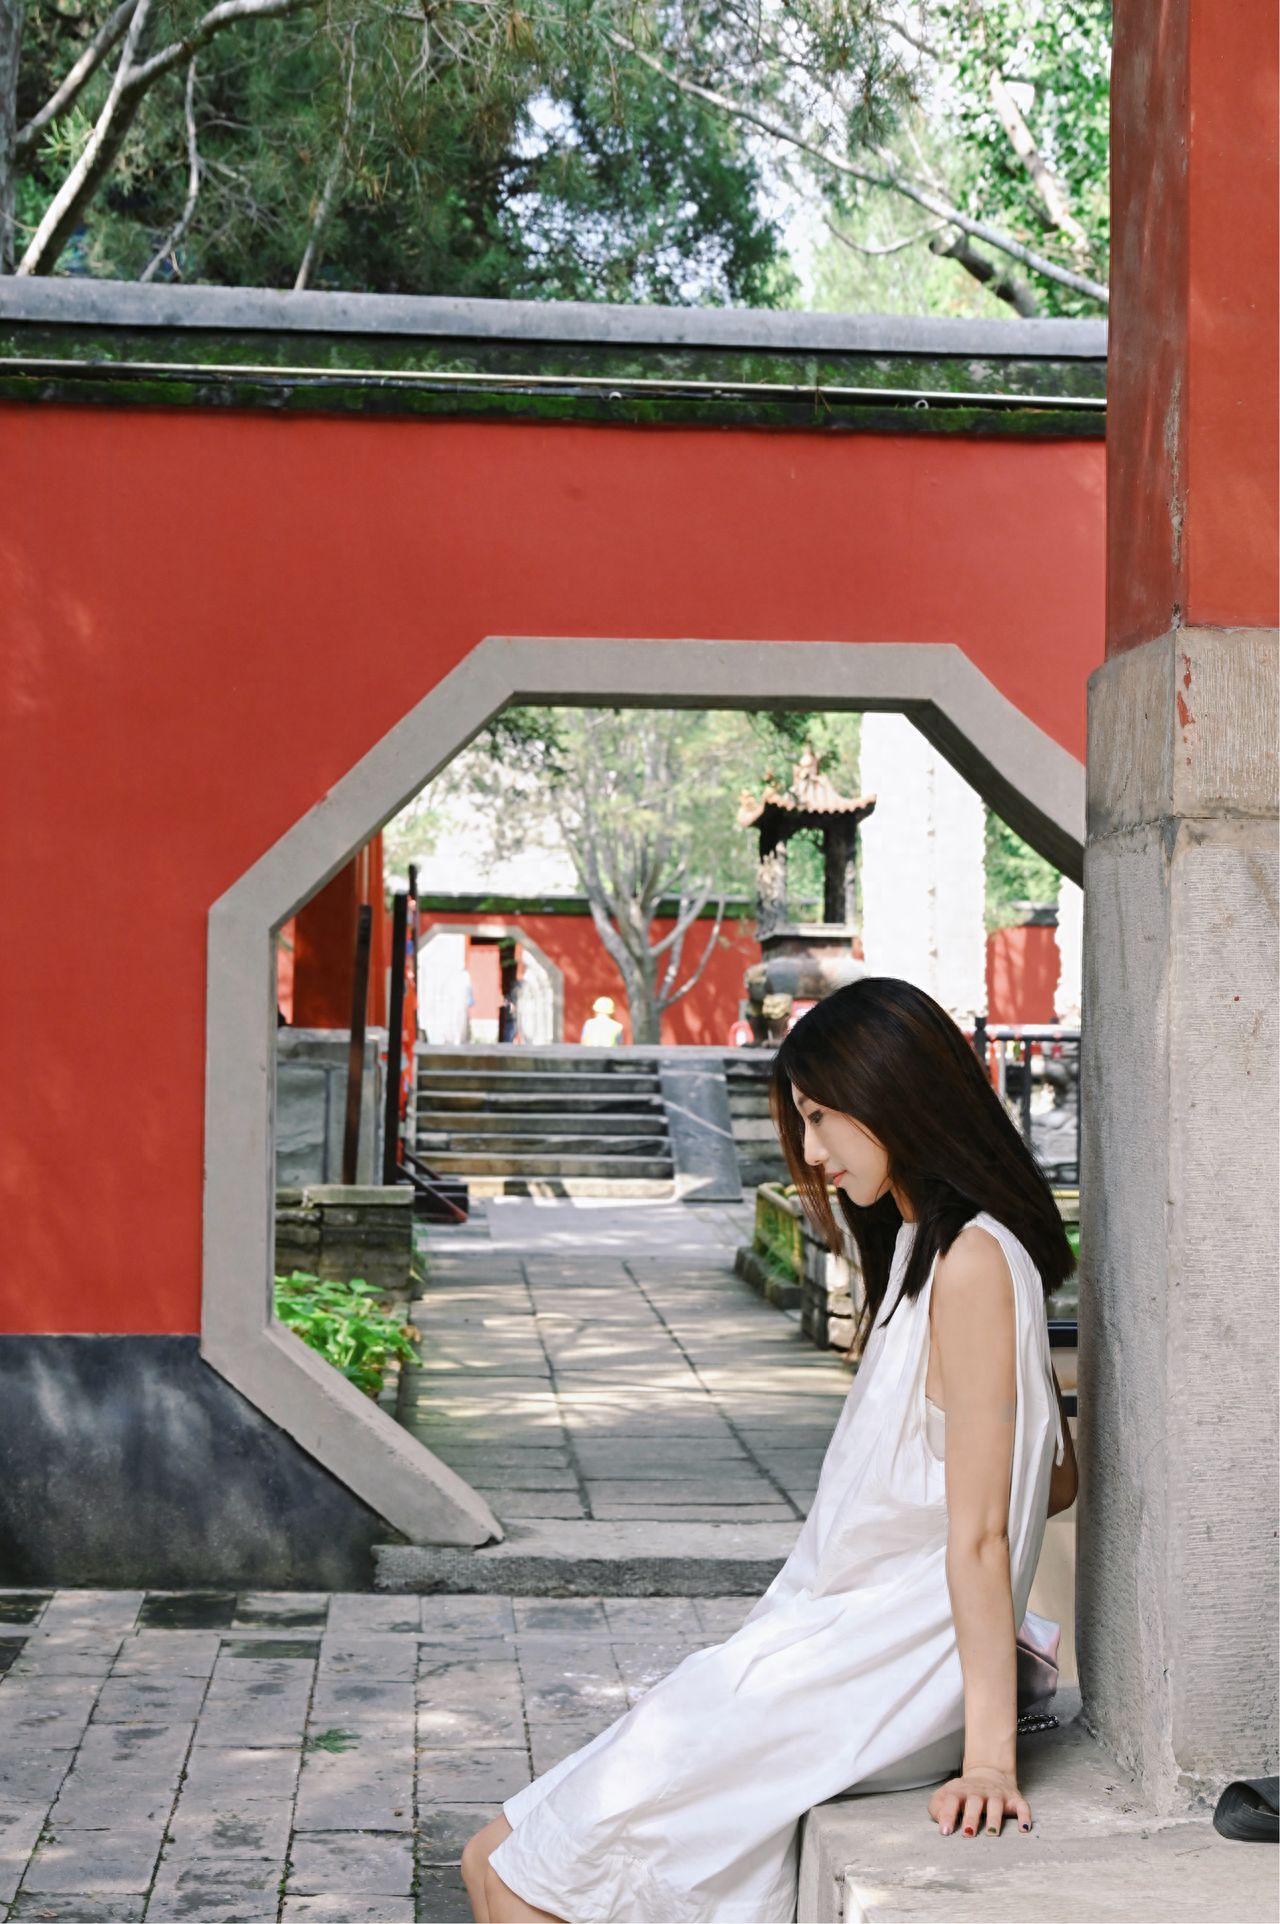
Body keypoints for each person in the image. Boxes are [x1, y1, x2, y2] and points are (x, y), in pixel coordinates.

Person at [463, 976, 1079, 1924]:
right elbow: (1056, 1478)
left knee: (509, 1874)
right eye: (805, 1117)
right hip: (831, 1648)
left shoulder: (970, 1264)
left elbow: (986, 1535)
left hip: (871, 1674)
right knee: (500, 1855)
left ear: (896, 1094)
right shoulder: (928, 1247)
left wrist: (989, 1758)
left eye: (824, 1115)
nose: (815, 1150)